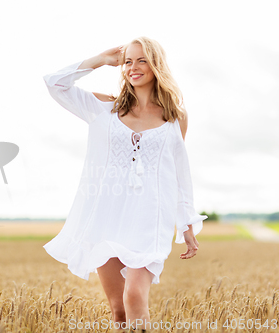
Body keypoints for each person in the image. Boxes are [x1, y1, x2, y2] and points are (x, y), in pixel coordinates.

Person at [42, 36, 208, 332]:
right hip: (107, 216)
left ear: (156, 65)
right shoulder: (103, 108)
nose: (133, 67)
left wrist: (187, 222)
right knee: (119, 311)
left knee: (134, 295)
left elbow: (179, 173)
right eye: (128, 61)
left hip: (149, 216)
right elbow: (55, 83)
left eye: (142, 60)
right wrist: (99, 60)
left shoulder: (175, 117)